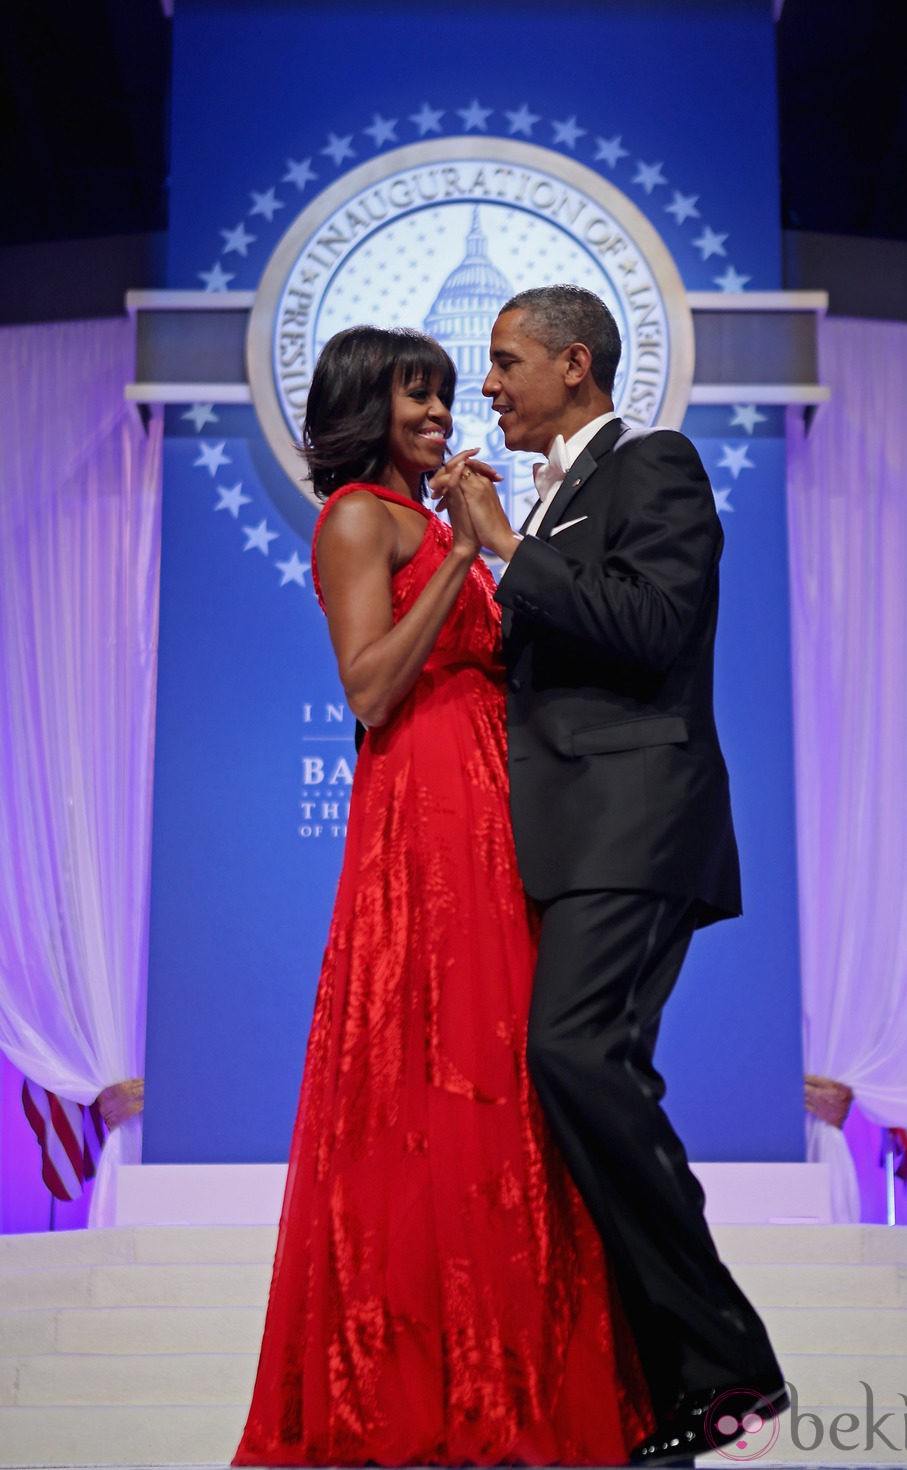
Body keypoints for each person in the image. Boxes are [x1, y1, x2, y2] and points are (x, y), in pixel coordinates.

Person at [232, 324, 650, 1468]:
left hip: (495, 803)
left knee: (511, 1077)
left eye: (443, 394)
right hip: (421, 814)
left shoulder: (435, 513)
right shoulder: (358, 520)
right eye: (414, 397)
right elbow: (368, 688)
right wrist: (463, 560)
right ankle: (414, 1390)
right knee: (430, 1068)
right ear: (366, 408)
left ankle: (518, 1376)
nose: (438, 413)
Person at [448, 286, 787, 1466]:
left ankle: (729, 1365)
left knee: (573, 1053)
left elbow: (651, 628)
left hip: (636, 823)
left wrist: (501, 551)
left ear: (572, 366)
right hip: (570, 836)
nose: (486, 387)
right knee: (582, 1071)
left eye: (502, 364)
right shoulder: (552, 498)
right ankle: (673, 1387)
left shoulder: (654, 466)